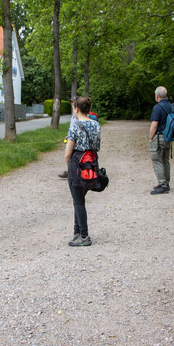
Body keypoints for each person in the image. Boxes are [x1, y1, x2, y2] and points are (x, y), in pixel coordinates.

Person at [64, 96, 101, 247]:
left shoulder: (74, 126)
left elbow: (68, 153)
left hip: (77, 163)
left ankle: (84, 235)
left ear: (77, 109)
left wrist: (69, 166)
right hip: (91, 162)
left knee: (78, 201)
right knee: (78, 199)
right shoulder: (96, 125)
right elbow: (97, 146)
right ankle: (77, 232)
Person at [149, 86, 174, 195]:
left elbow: (154, 124)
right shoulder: (170, 106)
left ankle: (162, 185)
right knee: (165, 159)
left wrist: (150, 138)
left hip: (159, 137)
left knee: (156, 159)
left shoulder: (157, 107)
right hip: (168, 136)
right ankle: (166, 183)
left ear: (157, 96)